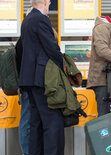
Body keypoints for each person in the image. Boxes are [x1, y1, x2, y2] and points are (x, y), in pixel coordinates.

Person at [19, 0, 65, 154]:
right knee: (53, 122)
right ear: (45, 2)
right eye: (49, 2)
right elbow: (51, 47)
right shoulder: (40, 19)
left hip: (29, 80)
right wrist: (64, 66)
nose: (50, 5)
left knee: (35, 123)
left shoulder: (27, 20)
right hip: (42, 80)